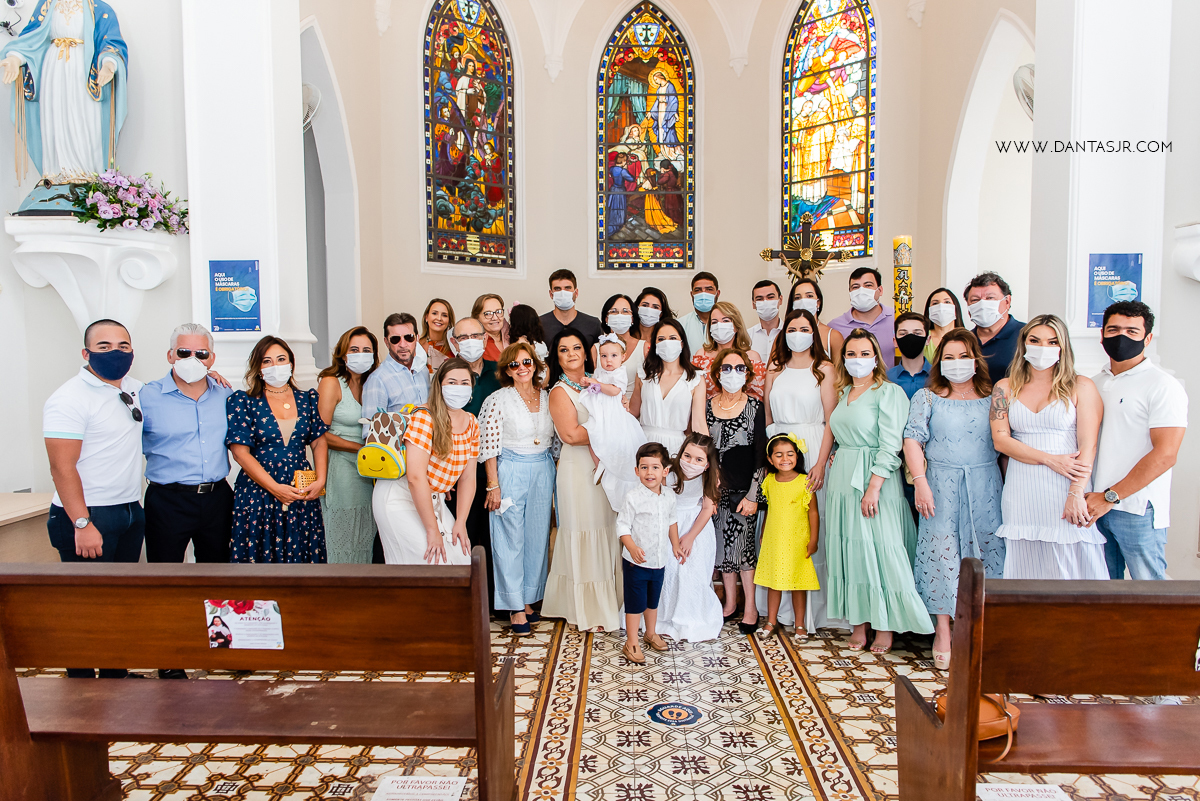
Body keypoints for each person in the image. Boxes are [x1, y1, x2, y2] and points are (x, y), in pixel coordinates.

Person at [44, 319, 144, 678]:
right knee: (85, 604)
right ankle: (82, 683)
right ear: (86, 353)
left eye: (123, 345)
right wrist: (82, 523)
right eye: (104, 347)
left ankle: (116, 674)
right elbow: (61, 467)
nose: (115, 353)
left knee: (118, 601)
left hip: (130, 511)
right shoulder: (69, 398)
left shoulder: (134, 388)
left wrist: (213, 378)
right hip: (87, 516)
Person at [825, 329, 933, 653]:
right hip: (843, 478)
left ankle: (885, 625)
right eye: (851, 354)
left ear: (876, 357)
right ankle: (859, 623)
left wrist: (873, 487)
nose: (857, 359)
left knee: (881, 549)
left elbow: (891, 444)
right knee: (851, 551)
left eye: (863, 353)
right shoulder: (843, 392)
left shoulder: (889, 392)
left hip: (876, 481)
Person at [902, 330, 1004, 670]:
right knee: (940, 553)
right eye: (949, 357)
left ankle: (977, 627)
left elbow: (1006, 444)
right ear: (939, 361)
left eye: (964, 356)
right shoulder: (927, 398)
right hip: (939, 483)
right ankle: (943, 630)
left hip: (985, 483)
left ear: (976, 359)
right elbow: (913, 441)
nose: (957, 363)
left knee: (986, 551)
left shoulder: (996, 397)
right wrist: (920, 482)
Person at [989, 314, 1106, 580]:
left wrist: (1076, 492)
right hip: (1022, 489)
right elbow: (1001, 440)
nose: (1043, 347)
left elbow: (1089, 445)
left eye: (1052, 342)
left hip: (1067, 485)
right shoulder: (1004, 388)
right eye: (1035, 340)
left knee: (1073, 564)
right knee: (1026, 567)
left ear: (1062, 347)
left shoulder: (1081, 386)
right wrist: (1050, 459)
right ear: (1024, 344)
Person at [1087, 302, 1187, 581]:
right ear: (1103, 335)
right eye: (1114, 329)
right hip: (1092, 507)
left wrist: (1111, 496)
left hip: (1136, 508)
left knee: (1151, 592)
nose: (1122, 337)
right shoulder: (1092, 383)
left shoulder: (1163, 385)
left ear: (1148, 338)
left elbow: (1166, 453)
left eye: (1132, 331)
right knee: (1099, 592)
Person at [759, 308, 844, 633]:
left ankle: (812, 615)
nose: (797, 333)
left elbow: (829, 420)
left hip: (812, 443)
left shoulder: (823, 368)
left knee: (809, 524)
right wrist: (773, 452)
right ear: (784, 333)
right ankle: (777, 613)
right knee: (781, 523)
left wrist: (820, 462)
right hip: (780, 447)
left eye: (804, 328)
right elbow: (767, 415)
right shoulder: (774, 370)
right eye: (792, 328)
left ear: (814, 333)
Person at [542, 328, 622, 632]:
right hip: (578, 470)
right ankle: (586, 607)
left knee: (605, 529)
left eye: (576, 347)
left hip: (605, 466)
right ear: (557, 356)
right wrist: (610, 429)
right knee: (584, 530)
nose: (572, 353)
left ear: (587, 351)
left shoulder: (596, 382)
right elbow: (571, 435)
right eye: (564, 349)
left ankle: (609, 600)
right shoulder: (559, 392)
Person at [227, 336, 329, 563]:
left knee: (301, 554)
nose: (275, 366)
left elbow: (319, 441)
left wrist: (321, 479)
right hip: (258, 491)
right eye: (267, 361)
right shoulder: (243, 401)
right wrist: (275, 488)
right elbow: (240, 452)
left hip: (300, 489)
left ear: (291, 363)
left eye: (281, 359)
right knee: (260, 557)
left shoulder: (308, 399)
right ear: (258, 368)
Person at [140, 324, 234, 570]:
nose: (192, 359)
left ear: (211, 359)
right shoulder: (146, 396)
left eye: (201, 354)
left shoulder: (226, 394)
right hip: (167, 501)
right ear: (170, 355)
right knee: (164, 576)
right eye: (184, 352)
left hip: (217, 499)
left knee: (219, 574)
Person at [479, 342, 556, 634]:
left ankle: (528, 599)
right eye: (514, 365)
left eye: (526, 362)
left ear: (535, 365)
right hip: (509, 468)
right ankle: (513, 605)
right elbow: (488, 446)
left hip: (542, 467)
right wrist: (493, 485)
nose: (521, 368)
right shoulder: (497, 400)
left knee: (537, 535)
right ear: (506, 371)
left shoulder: (548, 397)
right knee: (509, 535)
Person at [376, 358, 479, 565]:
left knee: (462, 560)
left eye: (464, 383)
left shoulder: (472, 423)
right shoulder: (425, 417)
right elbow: (415, 477)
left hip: (433, 498)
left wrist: (460, 521)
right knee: (432, 563)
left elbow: (468, 478)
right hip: (401, 497)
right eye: (451, 382)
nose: (458, 388)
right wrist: (433, 530)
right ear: (439, 386)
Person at [706, 347, 768, 635]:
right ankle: (730, 604)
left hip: (746, 490)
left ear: (748, 374)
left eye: (740, 368)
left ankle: (751, 608)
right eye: (727, 368)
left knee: (744, 551)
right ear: (717, 373)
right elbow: (704, 450)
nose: (733, 373)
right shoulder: (707, 406)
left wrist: (754, 494)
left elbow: (760, 454)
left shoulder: (755, 407)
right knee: (723, 550)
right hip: (717, 490)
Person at [317, 326, 379, 564]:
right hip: (341, 466)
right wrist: (360, 449)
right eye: (355, 349)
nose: (360, 354)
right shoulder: (331, 382)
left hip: (371, 469)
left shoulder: (372, 383)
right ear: (343, 354)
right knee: (341, 530)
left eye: (366, 350)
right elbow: (320, 434)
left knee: (365, 530)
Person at [657, 433, 723, 642]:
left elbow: (707, 509)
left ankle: (690, 615)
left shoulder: (709, 478)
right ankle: (663, 617)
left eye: (698, 459)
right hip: (669, 524)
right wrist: (675, 539)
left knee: (690, 572)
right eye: (687, 456)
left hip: (696, 528)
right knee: (669, 569)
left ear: (707, 464)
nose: (691, 463)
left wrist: (690, 537)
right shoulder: (669, 473)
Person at [754, 433, 821, 643]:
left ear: (797, 456)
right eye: (779, 455)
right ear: (770, 459)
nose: (785, 459)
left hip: (798, 540)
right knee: (774, 582)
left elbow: (813, 512)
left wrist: (814, 540)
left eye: (790, 454)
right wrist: (764, 531)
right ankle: (771, 621)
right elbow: (769, 509)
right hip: (775, 539)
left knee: (797, 583)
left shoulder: (804, 482)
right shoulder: (769, 481)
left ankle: (800, 624)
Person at [617, 442, 680, 664]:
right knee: (635, 603)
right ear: (636, 471)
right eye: (644, 467)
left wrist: (675, 545)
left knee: (652, 601)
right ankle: (631, 641)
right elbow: (622, 526)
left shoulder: (670, 496)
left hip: (659, 560)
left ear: (665, 471)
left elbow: (672, 521)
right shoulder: (633, 497)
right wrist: (632, 548)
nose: (649, 473)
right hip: (636, 563)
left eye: (655, 467)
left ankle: (650, 632)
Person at [581, 335, 648, 511]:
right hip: (600, 409)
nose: (608, 360)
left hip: (613, 411)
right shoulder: (599, 372)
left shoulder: (620, 372)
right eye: (604, 356)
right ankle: (600, 465)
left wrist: (597, 384)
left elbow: (613, 391)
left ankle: (608, 463)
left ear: (623, 357)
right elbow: (594, 387)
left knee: (612, 439)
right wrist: (588, 383)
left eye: (613, 356)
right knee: (592, 434)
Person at [629, 319, 707, 457]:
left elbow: (699, 425)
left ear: (682, 343)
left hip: (677, 448)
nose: (667, 343)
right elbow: (632, 412)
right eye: (661, 339)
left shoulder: (695, 378)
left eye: (672, 338)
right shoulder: (643, 373)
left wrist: (706, 458)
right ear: (655, 344)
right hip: (643, 444)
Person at [361, 312, 430, 439]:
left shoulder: (423, 371)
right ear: (386, 342)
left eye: (409, 337)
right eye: (395, 339)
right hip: (399, 455)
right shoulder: (377, 380)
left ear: (417, 338)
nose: (403, 344)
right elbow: (371, 434)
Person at [693, 302, 767, 399]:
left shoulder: (751, 358)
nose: (719, 325)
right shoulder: (701, 356)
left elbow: (759, 396)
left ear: (736, 326)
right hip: (706, 412)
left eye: (725, 321)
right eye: (714, 322)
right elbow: (692, 393)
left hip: (742, 412)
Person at [828, 267, 896, 368]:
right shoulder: (835, 327)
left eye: (868, 285)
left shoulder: (896, 318)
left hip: (893, 382)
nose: (861, 291)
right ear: (850, 293)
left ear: (880, 290)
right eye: (855, 287)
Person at [964, 272, 1023, 379]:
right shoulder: (965, 340)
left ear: (1007, 301)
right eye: (975, 300)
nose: (982, 305)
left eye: (990, 298)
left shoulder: (1027, 335)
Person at [594, 293, 646, 398]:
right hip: (604, 406)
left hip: (635, 408)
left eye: (625, 311)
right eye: (614, 311)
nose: (619, 315)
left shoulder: (644, 347)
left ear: (632, 318)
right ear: (606, 319)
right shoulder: (595, 348)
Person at [540, 269, 604, 349]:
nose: (563, 293)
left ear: (576, 293)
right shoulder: (539, 324)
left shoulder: (593, 324)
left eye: (567, 288)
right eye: (557, 289)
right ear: (551, 294)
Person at [787, 278, 844, 361]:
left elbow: (839, 372)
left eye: (809, 296)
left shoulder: (833, 336)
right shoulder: (782, 335)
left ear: (818, 302)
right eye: (797, 297)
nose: (803, 301)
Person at [887, 312, 932, 400]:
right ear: (895, 341)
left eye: (917, 333)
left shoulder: (939, 377)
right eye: (903, 333)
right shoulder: (886, 379)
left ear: (928, 340)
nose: (910, 337)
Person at [678, 271, 720, 353]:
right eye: (698, 290)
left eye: (709, 289)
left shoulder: (727, 324)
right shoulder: (680, 324)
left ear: (717, 294)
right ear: (692, 294)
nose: (703, 294)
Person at [922, 288, 965, 362]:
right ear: (929, 312)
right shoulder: (923, 337)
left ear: (955, 309)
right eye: (935, 303)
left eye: (947, 302)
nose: (941, 306)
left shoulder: (967, 337)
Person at [749, 280, 784, 359]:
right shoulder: (747, 337)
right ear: (753, 304)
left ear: (780, 300)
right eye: (759, 299)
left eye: (770, 297)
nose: (765, 302)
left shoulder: (789, 333)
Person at [419, 298, 455, 374]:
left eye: (444, 315)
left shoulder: (455, 348)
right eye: (434, 313)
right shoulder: (416, 346)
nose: (439, 318)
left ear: (449, 321)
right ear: (426, 317)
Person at [473, 293, 509, 362]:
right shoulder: (475, 344)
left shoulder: (515, 337)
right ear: (477, 317)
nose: (495, 318)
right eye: (488, 313)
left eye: (498, 312)